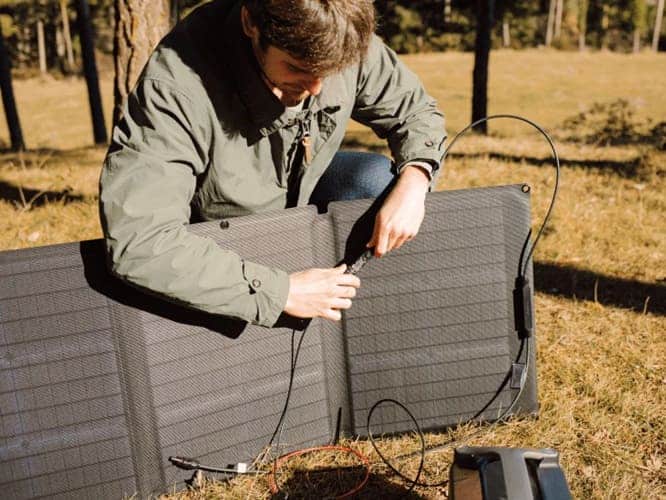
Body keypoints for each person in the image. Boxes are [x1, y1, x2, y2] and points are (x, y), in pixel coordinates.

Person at [99, 0, 446, 328]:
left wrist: (416, 180)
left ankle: (356, 328)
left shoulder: (341, 34)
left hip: (300, 193)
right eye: (296, 67)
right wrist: (282, 293)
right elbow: (140, 238)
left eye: (330, 71)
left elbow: (416, 113)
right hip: (222, 235)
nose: (315, 87)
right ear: (251, 22)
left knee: (377, 182)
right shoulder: (177, 85)